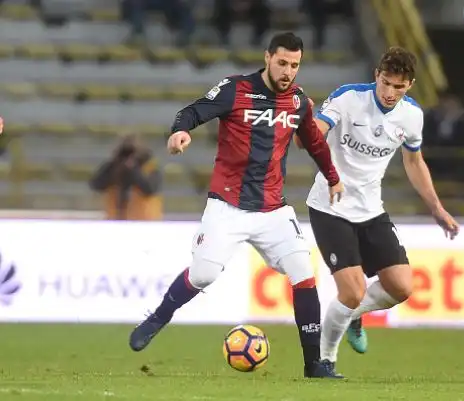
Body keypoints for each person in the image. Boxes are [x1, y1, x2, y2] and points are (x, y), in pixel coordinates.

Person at [128, 32, 344, 379]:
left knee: (304, 274)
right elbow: (193, 111)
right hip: (227, 205)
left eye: (295, 65)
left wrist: (333, 176)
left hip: (273, 209)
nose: (288, 71)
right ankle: (157, 318)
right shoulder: (235, 89)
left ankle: (313, 365)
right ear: (268, 58)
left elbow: (315, 142)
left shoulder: (299, 102)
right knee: (204, 274)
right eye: (282, 63)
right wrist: (180, 131)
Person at [295, 47, 460, 368]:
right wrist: (307, 130)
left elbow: (414, 162)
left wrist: (437, 208)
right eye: (385, 83)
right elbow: (315, 136)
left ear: (409, 85)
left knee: (402, 287)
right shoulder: (348, 98)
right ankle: (324, 361)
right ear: (376, 76)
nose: (389, 92)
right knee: (353, 290)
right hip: (331, 207)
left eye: (398, 87)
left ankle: (353, 316)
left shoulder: (412, 116)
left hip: (371, 210)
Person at [89, 134, 163, 221]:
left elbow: (150, 189)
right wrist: (115, 170)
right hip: (116, 221)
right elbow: (96, 184)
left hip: (145, 222)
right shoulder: (112, 167)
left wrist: (134, 170)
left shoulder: (150, 168)